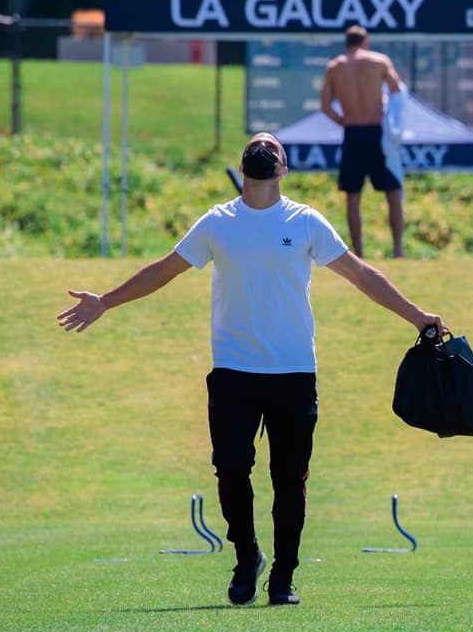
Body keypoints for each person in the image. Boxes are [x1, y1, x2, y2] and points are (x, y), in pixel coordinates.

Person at [57, 133, 444, 607]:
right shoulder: (217, 223)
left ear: (283, 169)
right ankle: (247, 557)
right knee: (231, 469)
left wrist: (417, 315)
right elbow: (164, 269)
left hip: (294, 371)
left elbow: (362, 274)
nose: (263, 148)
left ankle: (283, 576)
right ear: (245, 167)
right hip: (235, 372)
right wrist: (106, 301)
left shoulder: (305, 223)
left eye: (271, 146)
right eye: (255, 145)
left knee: (289, 479)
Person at [320, 25, 407, 258]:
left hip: (352, 133)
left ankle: (358, 253)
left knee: (353, 195)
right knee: (393, 191)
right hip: (376, 132)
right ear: (365, 42)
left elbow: (325, 106)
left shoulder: (335, 67)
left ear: (347, 43)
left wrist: (344, 122)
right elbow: (398, 92)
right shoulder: (379, 61)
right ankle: (398, 250)